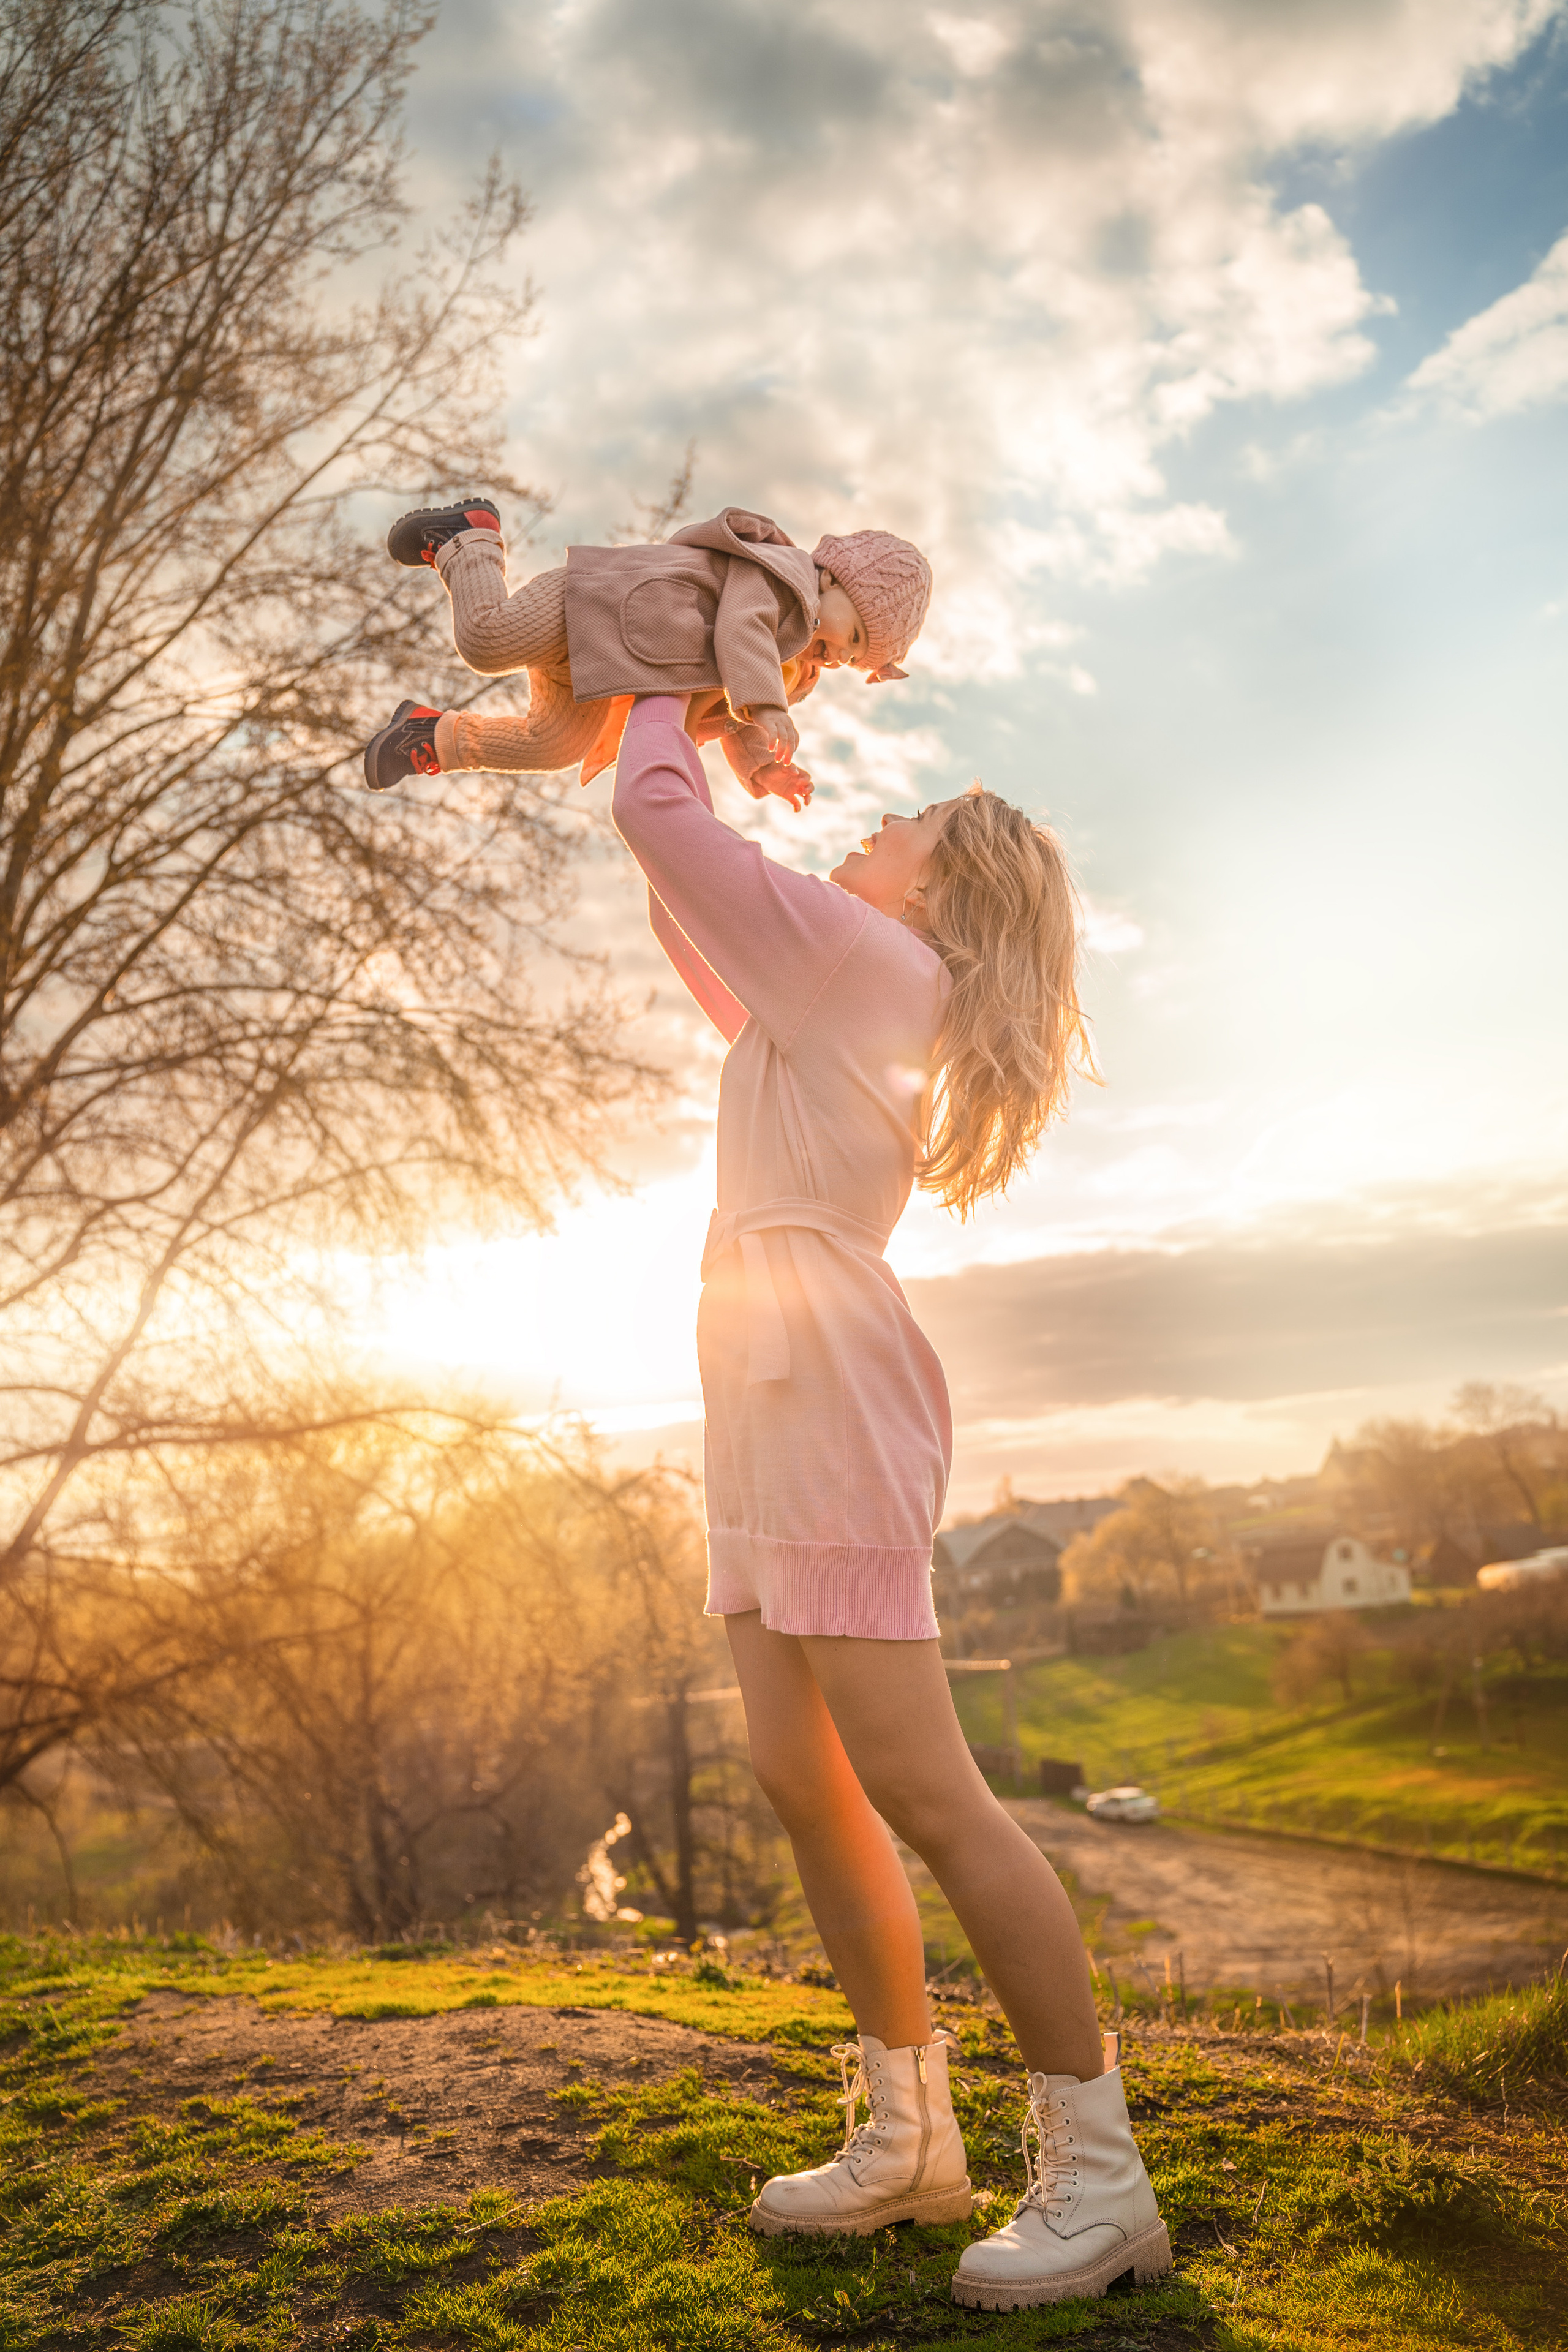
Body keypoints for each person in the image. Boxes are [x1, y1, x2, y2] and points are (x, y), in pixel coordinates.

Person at [611, 695, 1172, 2311]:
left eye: (906, 820)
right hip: (760, 1380)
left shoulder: (870, 966)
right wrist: (699, 739)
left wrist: (660, 679)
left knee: (929, 1790)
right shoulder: (829, 980)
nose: (873, 821)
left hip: (829, 1391)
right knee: (801, 1772)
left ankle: (1101, 2180)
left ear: (935, 892)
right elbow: (679, 882)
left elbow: (666, 830)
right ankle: (908, 2139)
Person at [361, 499, 932, 802]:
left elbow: (732, 721)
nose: (838, 658)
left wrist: (764, 767)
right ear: (835, 579)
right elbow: (741, 628)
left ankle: (430, 735)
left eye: (853, 662)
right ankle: (470, 540)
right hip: (593, 606)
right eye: (853, 637)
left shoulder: (792, 673)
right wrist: (768, 706)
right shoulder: (786, 578)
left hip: (602, 664)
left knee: (555, 743)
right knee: (486, 641)